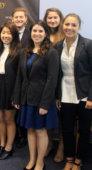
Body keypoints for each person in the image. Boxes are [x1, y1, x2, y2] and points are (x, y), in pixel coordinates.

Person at [13, 20, 59, 170]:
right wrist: (17, 97)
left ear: (46, 33)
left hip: (42, 100)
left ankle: (40, 162)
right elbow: (20, 77)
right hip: (27, 98)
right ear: (30, 33)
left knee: (40, 131)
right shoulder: (24, 51)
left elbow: (52, 80)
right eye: (34, 31)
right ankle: (32, 159)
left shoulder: (51, 52)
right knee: (30, 130)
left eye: (40, 31)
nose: (37, 34)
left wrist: (45, 104)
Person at [54, 13, 92, 170]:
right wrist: (57, 96)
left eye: (73, 25)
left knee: (83, 130)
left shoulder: (88, 44)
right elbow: (57, 74)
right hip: (65, 93)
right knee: (67, 129)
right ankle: (69, 158)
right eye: (67, 24)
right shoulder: (58, 46)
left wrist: (91, 96)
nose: (69, 28)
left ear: (79, 27)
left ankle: (79, 160)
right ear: (63, 25)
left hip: (84, 95)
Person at [0, 22, 20, 160]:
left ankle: (9, 147)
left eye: (9, 33)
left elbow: (20, 76)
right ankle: (2, 145)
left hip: (11, 88)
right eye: (3, 33)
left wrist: (16, 94)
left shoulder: (18, 51)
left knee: (9, 119)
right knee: (0, 118)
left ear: (14, 35)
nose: (6, 36)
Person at [43, 7, 65, 162]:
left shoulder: (66, 34)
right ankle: (49, 143)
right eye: (49, 18)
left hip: (63, 81)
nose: (52, 20)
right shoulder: (42, 35)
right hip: (46, 82)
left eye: (55, 18)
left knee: (63, 117)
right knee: (49, 115)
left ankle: (62, 147)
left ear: (60, 19)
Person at [11, 7, 30, 148]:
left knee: (22, 106)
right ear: (12, 19)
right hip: (10, 75)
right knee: (12, 106)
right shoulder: (8, 33)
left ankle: (23, 135)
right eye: (16, 17)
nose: (19, 19)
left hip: (25, 76)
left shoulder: (32, 34)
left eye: (21, 17)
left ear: (26, 19)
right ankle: (16, 134)